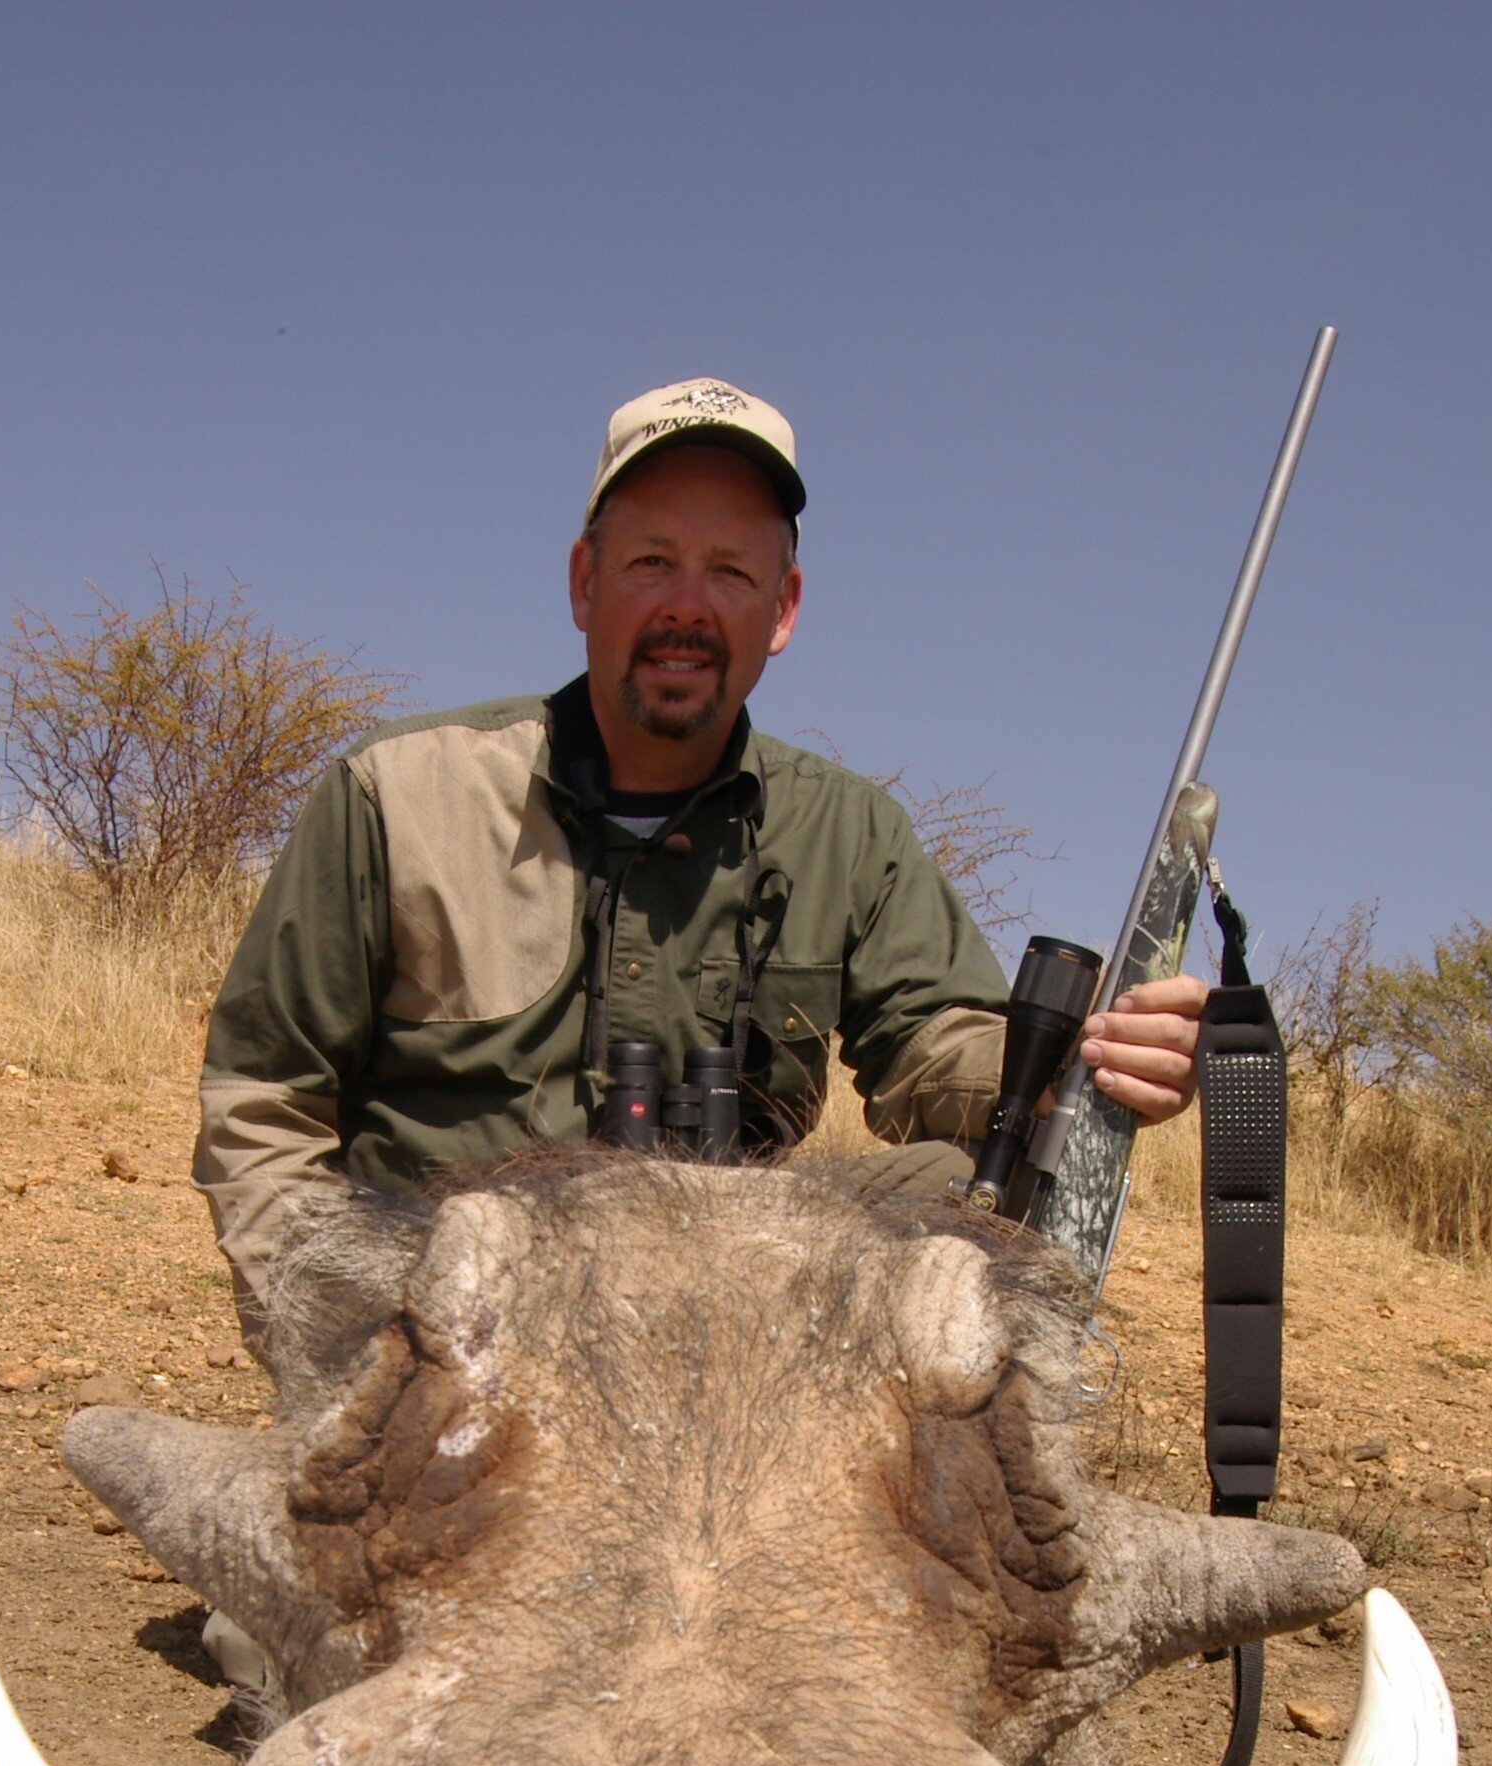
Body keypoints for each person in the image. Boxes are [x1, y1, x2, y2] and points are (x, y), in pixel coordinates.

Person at [194, 378, 1210, 1356]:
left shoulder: (849, 831)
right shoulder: (396, 792)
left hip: (735, 1349)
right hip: (451, 1344)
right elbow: (261, 1103)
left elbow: (942, 1059)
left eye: (730, 571)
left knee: (966, 1182)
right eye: (650, 562)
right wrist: (341, 1354)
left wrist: (1075, 1063)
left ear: (783, 606)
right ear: (584, 584)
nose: (687, 605)